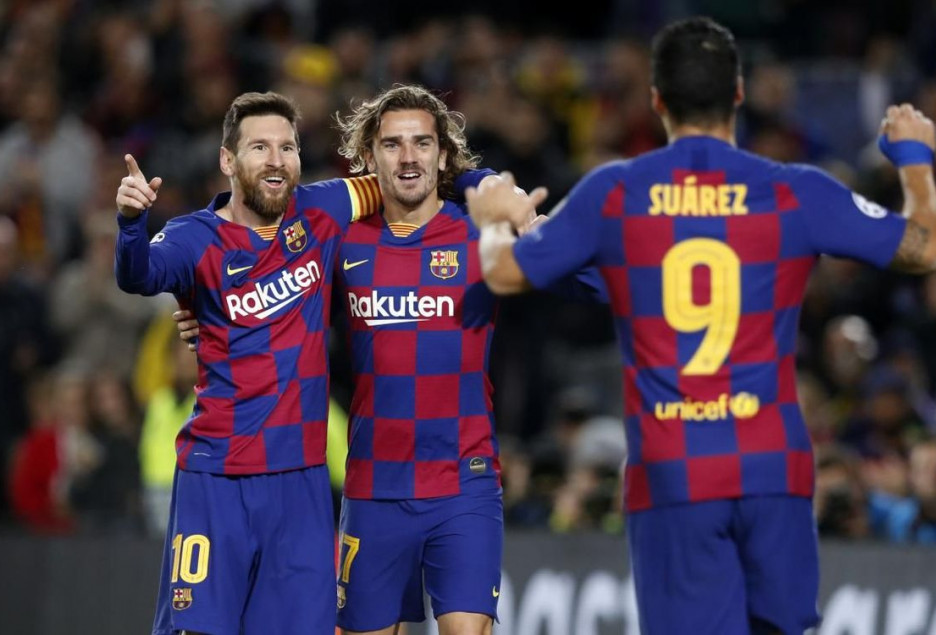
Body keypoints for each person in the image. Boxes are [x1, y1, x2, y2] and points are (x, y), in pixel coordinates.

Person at [465, 16, 936, 635]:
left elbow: (505, 273)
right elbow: (926, 246)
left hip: (675, 471)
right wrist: (914, 158)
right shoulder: (795, 191)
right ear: (738, 93)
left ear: (657, 99)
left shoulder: (616, 192)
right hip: (772, 469)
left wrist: (495, 219)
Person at [175, 84, 599, 635]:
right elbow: (257, 269)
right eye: (392, 144)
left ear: (442, 156)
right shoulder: (341, 237)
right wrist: (208, 315)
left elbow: (589, 286)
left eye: (422, 143)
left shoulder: (482, 230)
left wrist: (540, 233)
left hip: (463, 483)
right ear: (369, 158)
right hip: (374, 488)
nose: (408, 157)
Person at [115, 91, 386, 635]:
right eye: (259, 147)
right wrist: (130, 222)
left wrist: (495, 190)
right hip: (219, 477)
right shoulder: (195, 238)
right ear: (227, 159)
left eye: (287, 147)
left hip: (301, 482)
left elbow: (409, 179)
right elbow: (140, 275)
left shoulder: (323, 208)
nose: (276, 159)